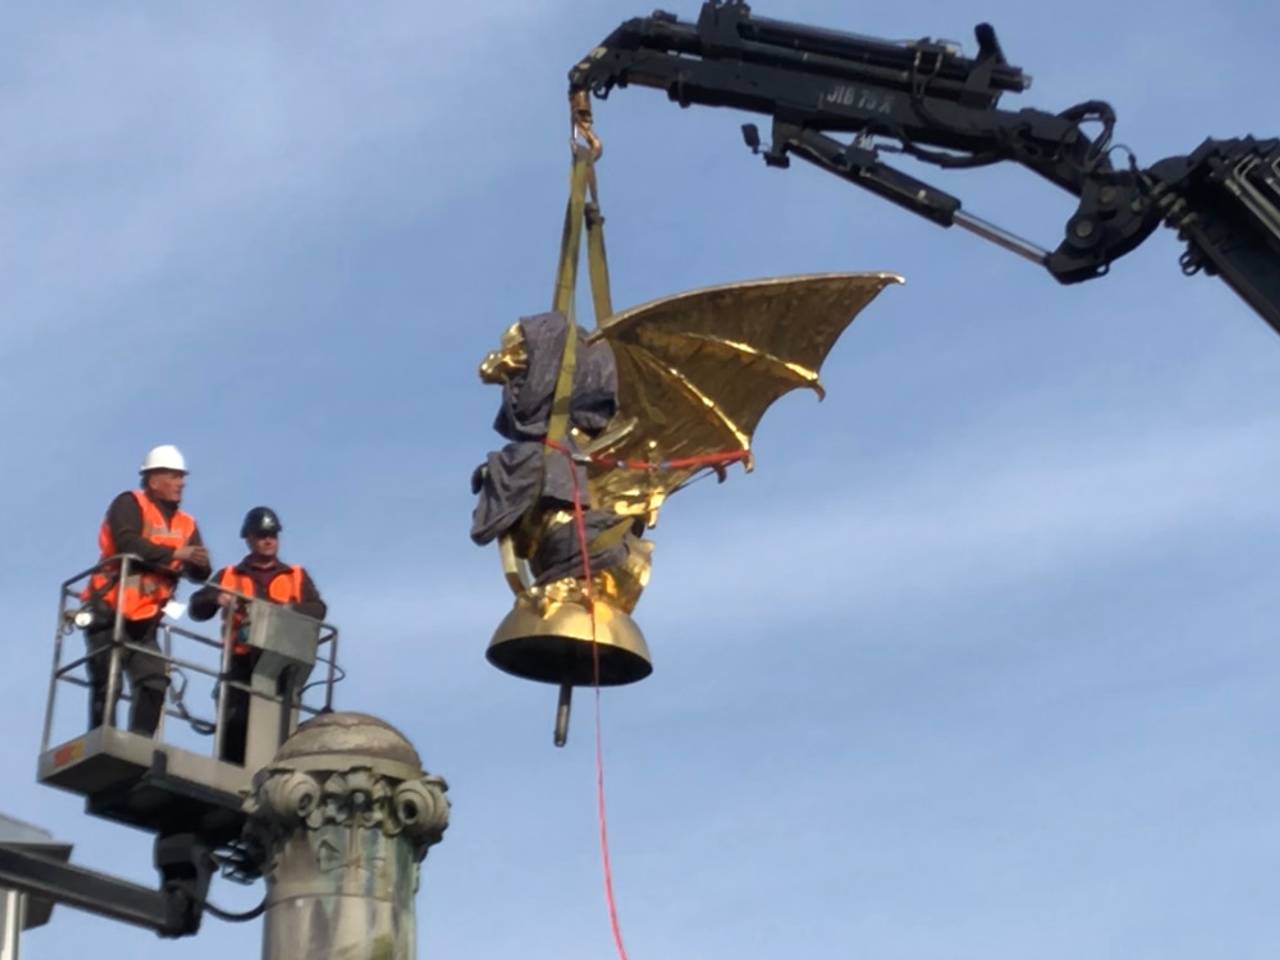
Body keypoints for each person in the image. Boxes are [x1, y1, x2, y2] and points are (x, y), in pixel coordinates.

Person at [83, 444, 211, 734]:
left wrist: (199, 564)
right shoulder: (129, 504)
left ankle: (139, 746)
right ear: (154, 480)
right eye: (174, 476)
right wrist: (177, 554)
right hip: (107, 608)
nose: (181, 483)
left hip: (146, 618)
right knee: (107, 681)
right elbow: (128, 542)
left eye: (182, 477)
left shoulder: (186, 523)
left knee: (154, 682)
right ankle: (101, 740)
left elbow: (199, 570)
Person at [190, 506, 326, 764]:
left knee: (279, 730)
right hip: (240, 662)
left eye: (272, 535)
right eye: (262, 535)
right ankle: (229, 773)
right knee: (235, 724)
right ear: (249, 539)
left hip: (280, 663)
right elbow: (197, 607)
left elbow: (318, 609)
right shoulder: (230, 575)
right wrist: (217, 597)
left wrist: (285, 610)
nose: (268, 540)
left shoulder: (296, 576)